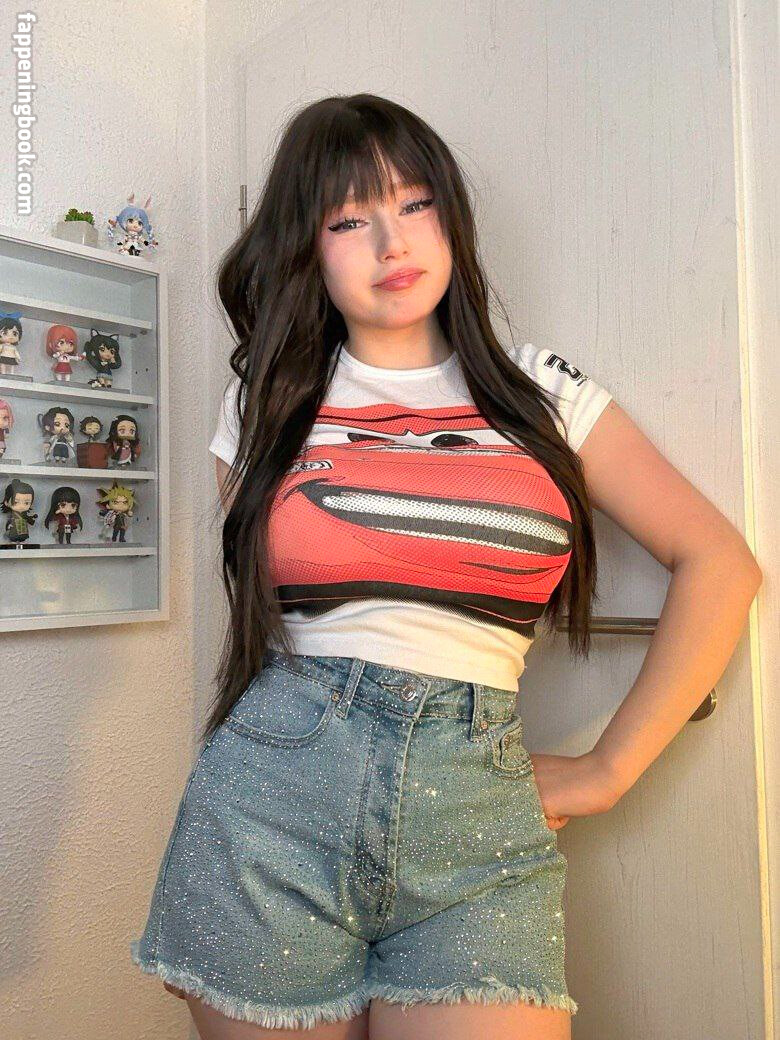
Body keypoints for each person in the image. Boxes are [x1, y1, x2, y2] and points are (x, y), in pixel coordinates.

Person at [130, 94, 762, 1040]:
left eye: (414, 203)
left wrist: (608, 769)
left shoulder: (543, 394)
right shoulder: (268, 401)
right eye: (348, 219)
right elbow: (271, 616)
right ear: (308, 248)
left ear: (450, 218)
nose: (392, 242)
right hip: (270, 809)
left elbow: (718, 562)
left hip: (479, 813)